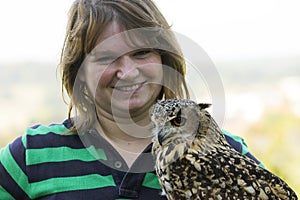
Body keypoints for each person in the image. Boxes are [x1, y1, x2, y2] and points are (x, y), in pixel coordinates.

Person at [0, 0, 264, 199]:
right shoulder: (32, 156)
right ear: (80, 72)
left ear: (164, 57)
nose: (127, 72)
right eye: (105, 58)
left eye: (141, 52)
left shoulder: (227, 154)